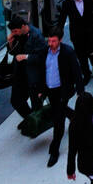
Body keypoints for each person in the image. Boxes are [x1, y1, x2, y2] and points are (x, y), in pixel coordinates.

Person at [34, 31, 82, 168]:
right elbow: (41, 71)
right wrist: (41, 90)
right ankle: (74, 116)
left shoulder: (68, 52)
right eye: (49, 41)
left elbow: (76, 72)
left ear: (60, 40)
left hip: (63, 91)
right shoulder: (45, 52)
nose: (51, 44)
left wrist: (80, 91)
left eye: (54, 41)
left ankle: (54, 150)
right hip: (50, 91)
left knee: (58, 120)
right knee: (58, 110)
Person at [7, 15, 48, 121]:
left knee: (36, 104)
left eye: (16, 31)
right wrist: (10, 43)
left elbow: (42, 56)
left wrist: (26, 57)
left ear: (23, 26)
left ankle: (34, 121)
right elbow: (13, 53)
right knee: (16, 100)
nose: (14, 33)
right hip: (20, 73)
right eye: (13, 32)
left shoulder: (37, 35)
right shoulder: (17, 36)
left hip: (33, 75)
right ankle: (30, 119)